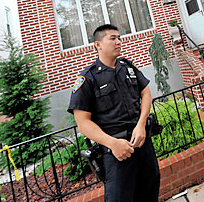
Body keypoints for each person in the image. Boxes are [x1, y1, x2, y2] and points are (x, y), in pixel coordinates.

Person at [68, 24, 160, 202]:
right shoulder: (88, 78)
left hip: (143, 144)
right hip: (116, 153)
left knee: (150, 192)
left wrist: (141, 125)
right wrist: (112, 143)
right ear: (98, 44)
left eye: (119, 37)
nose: (118, 41)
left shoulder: (128, 67)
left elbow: (146, 93)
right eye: (112, 38)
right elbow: (83, 122)